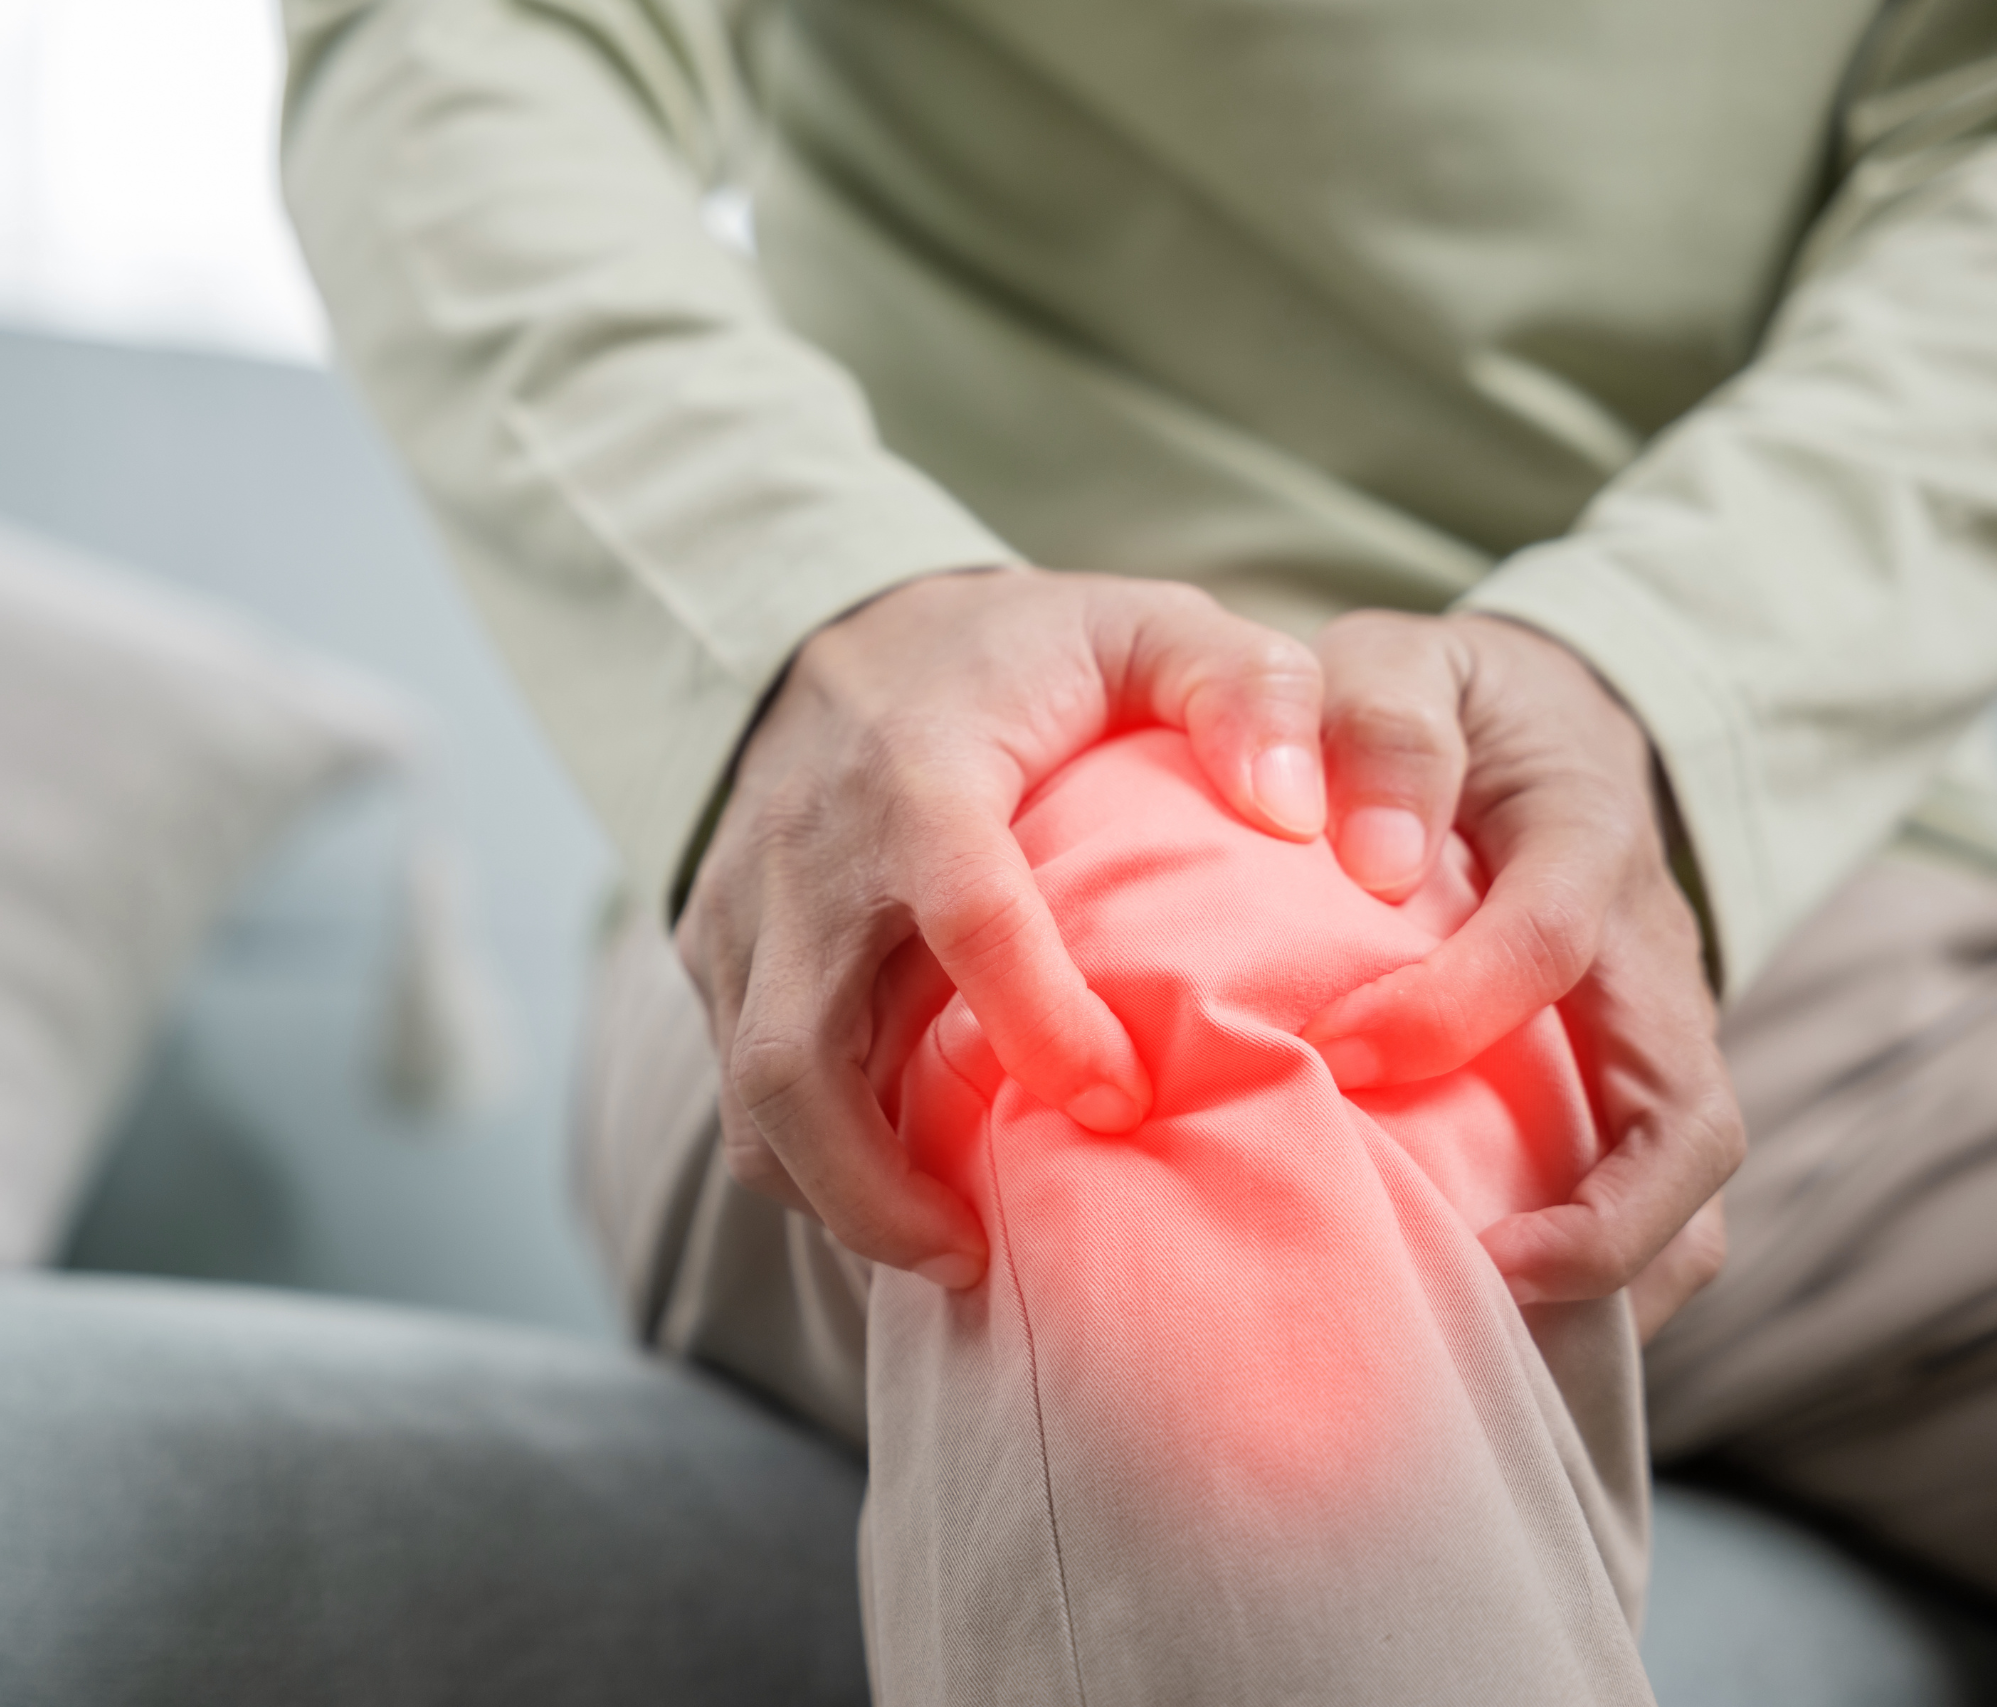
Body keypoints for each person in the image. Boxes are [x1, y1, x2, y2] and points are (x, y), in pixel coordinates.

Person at [277, 0, 1997, 1698]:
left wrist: (1664, 677)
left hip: (1818, 927)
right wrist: (812, 611)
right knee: (1122, 1039)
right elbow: (467, 40)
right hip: (980, 805)